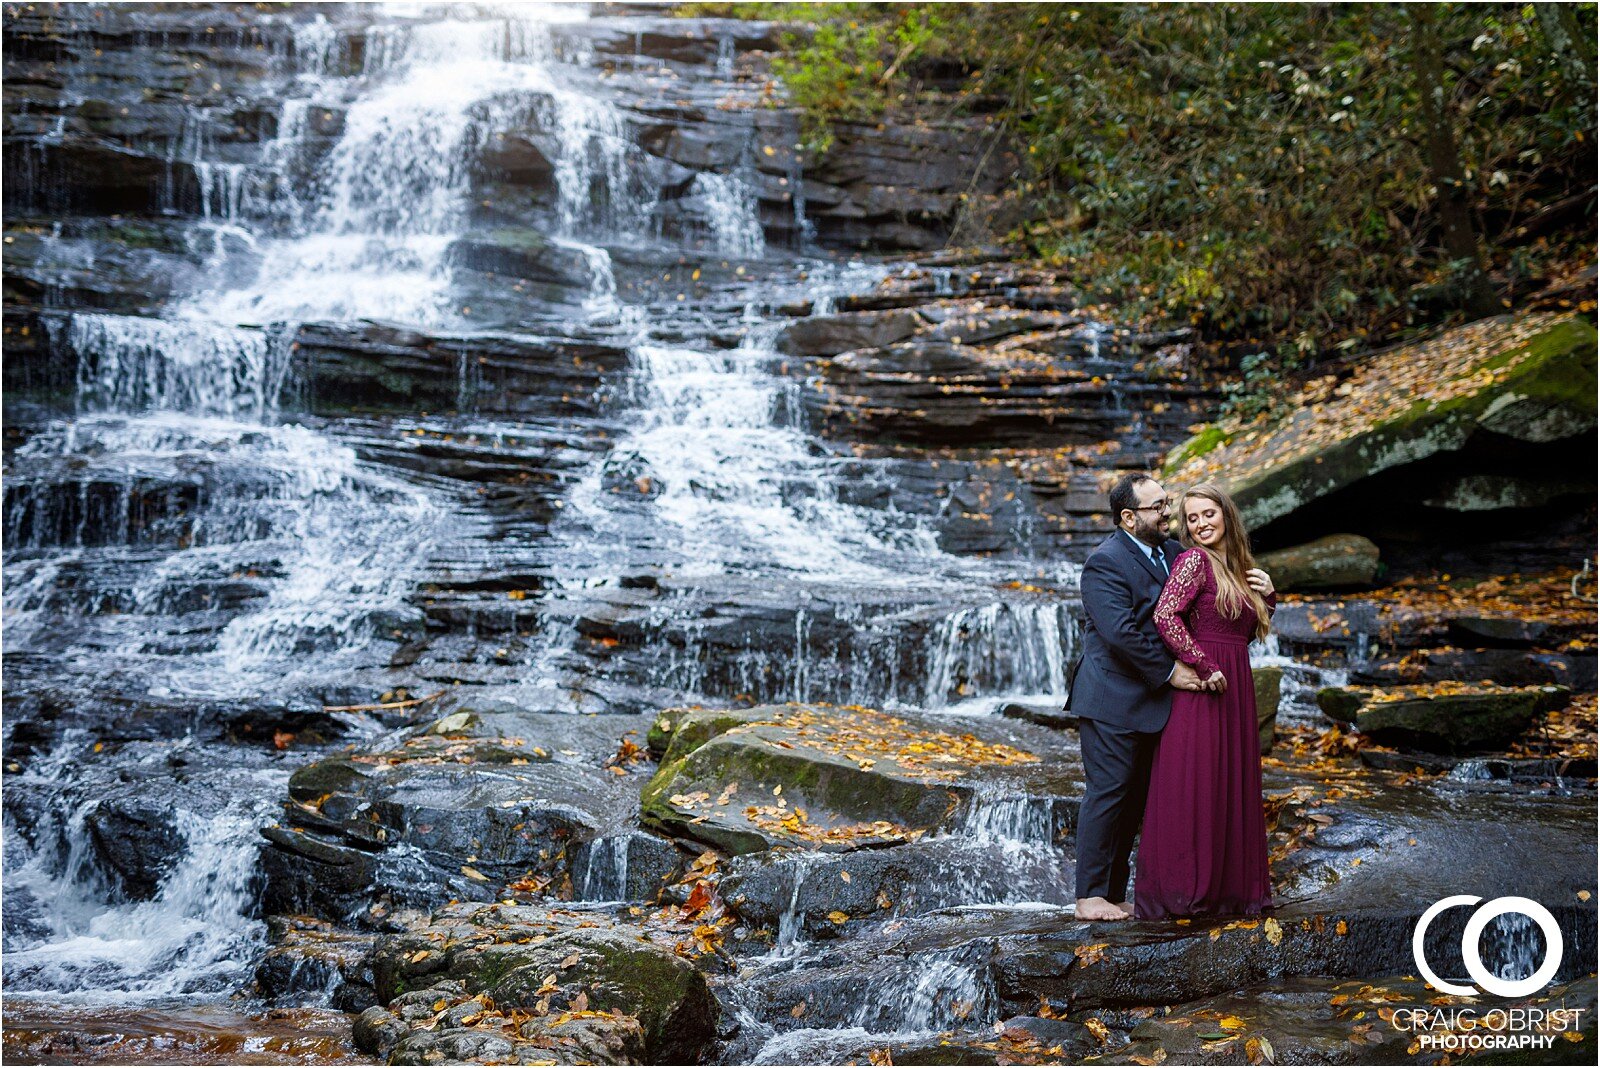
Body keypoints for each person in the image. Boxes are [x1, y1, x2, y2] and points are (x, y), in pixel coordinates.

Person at [1066, 473, 1215, 922]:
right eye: (1157, 507)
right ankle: (1089, 896)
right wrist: (1172, 671)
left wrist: (1264, 593)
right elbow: (1120, 633)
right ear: (1129, 517)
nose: (1167, 512)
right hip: (1111, 698)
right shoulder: (1104, 563)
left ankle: (1113, 893)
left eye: (1167, 503)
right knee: (1108, 793)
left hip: (1154, 704)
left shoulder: (1174, 553)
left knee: (1134, 801)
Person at [1135, 482, 1276, 920]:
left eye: (1207, 514)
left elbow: (1246, 630)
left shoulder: (1238, 569)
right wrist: (1200, 662)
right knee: (1196, 787)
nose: (1200, 524)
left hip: (1235, 686)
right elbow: (1165, 615)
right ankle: (1184, 892)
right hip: (1205, 687)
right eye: (1191, 518)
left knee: (1230, 785)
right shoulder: (1193, 561)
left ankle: (1230, 891)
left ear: (1226, 515)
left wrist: (1269, 594)